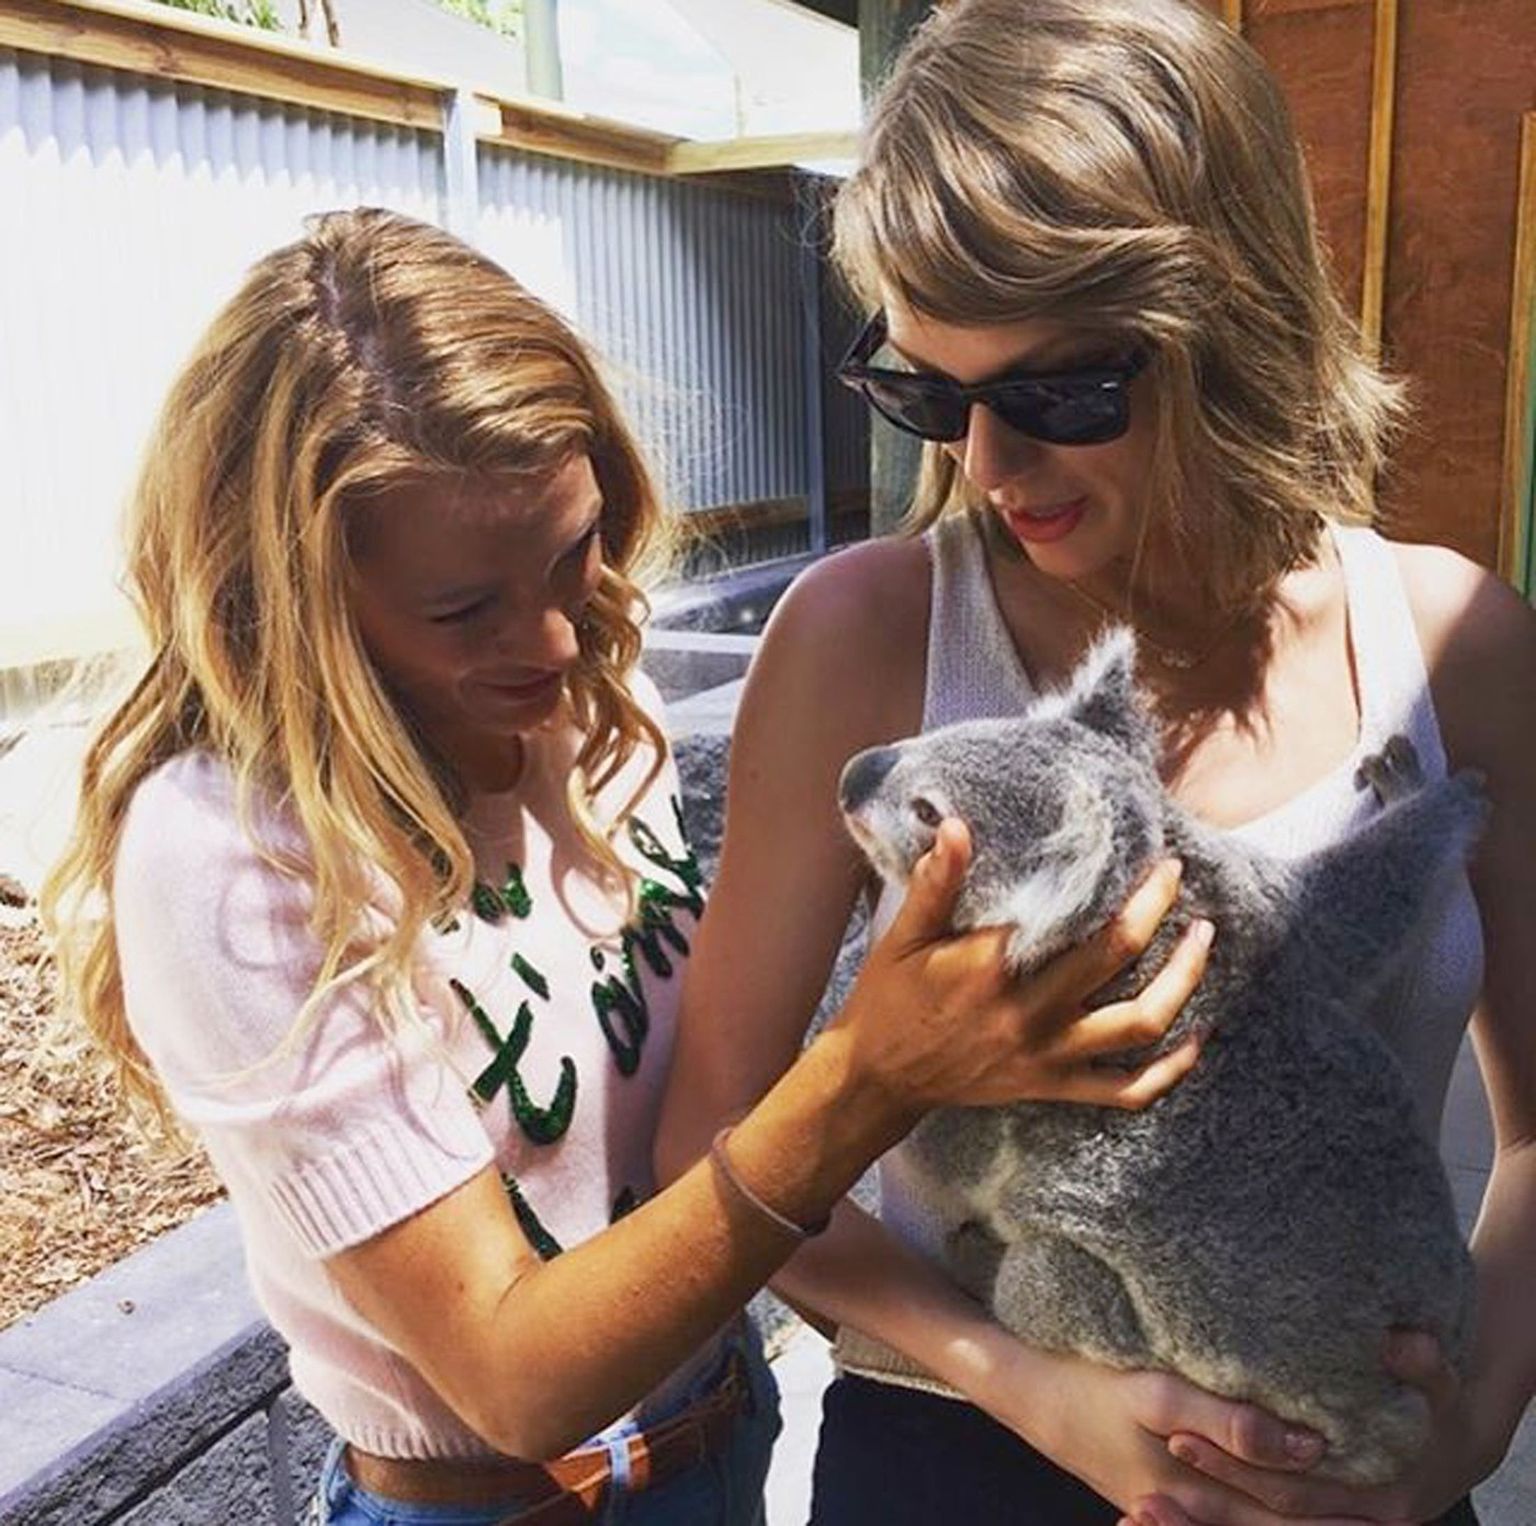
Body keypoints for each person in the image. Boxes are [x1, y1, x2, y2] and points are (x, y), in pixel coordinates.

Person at [40, 207, 1218, 1526]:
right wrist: (871, 1076)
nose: (556, 640)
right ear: (294, 595)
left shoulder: (593, 720)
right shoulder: (232, 853)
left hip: (719, 1437)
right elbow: (517, 1380)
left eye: (574, 550)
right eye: (463, 609)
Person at [656, 2, 1536, 1524]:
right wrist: (1025, 1382)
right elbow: (712, 1146)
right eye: (928, 392)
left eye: (1060, 393)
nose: (988, 465)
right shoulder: (869, 639)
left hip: (1352, 1474)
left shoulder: (1450, 644)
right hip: (953, 1449)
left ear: (1236, 323)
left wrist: (1465, 1436)